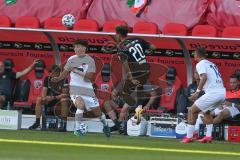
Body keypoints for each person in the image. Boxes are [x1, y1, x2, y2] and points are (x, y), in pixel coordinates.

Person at [51, 39, 111, 137]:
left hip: (87, 89)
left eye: (78, 47)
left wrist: (75, 70)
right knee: (80, 105)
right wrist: (58, 78)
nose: (76, 49)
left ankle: (105, 125)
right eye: (75, 47)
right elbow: (64, 73)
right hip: (75, 89)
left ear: (84, 48)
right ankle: (77, 130)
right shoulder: (71, 59)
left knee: (98, 112)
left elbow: (89, 77)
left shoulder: (90, 61)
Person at [181, 47, 226, 143]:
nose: (193, 55)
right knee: (206, 112)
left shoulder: (200, 64)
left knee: (192, 111)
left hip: (213, 93)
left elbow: (204, 77)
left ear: (198, 54)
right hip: (222, 93)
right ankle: (208, 136)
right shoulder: (211, 63)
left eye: (194, 53)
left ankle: (189, 137)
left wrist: (197, 92)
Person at [114, 25, 156, 108]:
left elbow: (125, 64)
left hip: (135, 74)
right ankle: (138, 110)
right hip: (145, 71)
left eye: (115, 34)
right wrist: (143, 48)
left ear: (119, 35)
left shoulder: (121, 47)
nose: (115, 36)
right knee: (146, 94)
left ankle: (128, 111)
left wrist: (131, 78)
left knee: (121, 95)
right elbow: (154, 47)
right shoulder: (137, 39)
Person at [194, 74, 240, 140]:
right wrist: (219, 104)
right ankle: (196, 132)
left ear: (238, 82)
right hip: (223, 107)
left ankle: (205, 129)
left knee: (221, 113)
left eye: (234, 82)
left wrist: (232, 104)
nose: (232, 84)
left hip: (235, 109)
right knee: (203, 112)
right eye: (231, 82)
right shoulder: (226, 92)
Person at [29, 65, 69, 131]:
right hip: (49, 100)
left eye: (53, 73)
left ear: (58, 73)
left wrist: (54, 97)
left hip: (58, 100)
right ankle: (37, 122)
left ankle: (64, 125)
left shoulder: (64, 79)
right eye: (51, 73)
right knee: (39, 99)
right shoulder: (47, 79)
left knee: (64, 100)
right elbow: (43, 93)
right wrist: (45, 97)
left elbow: (64, 94)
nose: (51, 75)